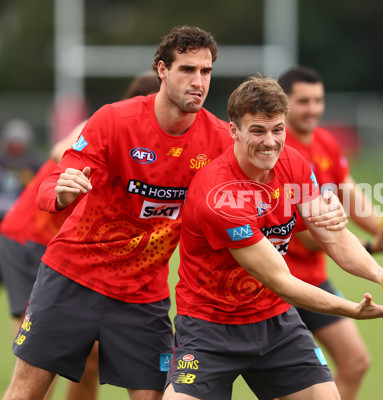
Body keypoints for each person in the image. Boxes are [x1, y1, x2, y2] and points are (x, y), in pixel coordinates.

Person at [2, 25, 234, 400]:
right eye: (187, 70)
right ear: (162, 70)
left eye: (205, 72)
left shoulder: (221, 140)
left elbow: (258, 189)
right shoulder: (114, 120)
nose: (198, 81)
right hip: (72, 279)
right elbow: (57, 177)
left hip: (143, 296)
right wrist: (60, 194)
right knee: (25, 393)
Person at [164, 76, 383, 400]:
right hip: (210, 328)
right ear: (234, 131)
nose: (270, 142)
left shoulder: (294, 163)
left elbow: (333, 238)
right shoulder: (219, 194)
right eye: (257, 131)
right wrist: (349, 309)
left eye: (277, 129)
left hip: (275, 322)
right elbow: (280, 279)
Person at [0, 70, 160, 400]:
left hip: (69, 251)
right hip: (30, 238)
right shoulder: (109, 124)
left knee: (90, 359)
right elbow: (62, 150)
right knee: (41, 360)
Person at [276, 65, 383, 400]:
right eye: (303, 101)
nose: (313, 109)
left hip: (315, 277)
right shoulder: (278, 149)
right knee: (284, 384)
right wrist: (371, 247)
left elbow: (351, 194)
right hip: (280, 282)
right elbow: (306, 233)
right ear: (285, 104)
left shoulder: (324, 141)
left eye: (318, 100)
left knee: (355, 361)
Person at [0, 118, 43, 221]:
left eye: (19, 146)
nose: (16, 149)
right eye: (13, 145)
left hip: (23, 206)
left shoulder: (34, 163)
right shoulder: (2, 160)